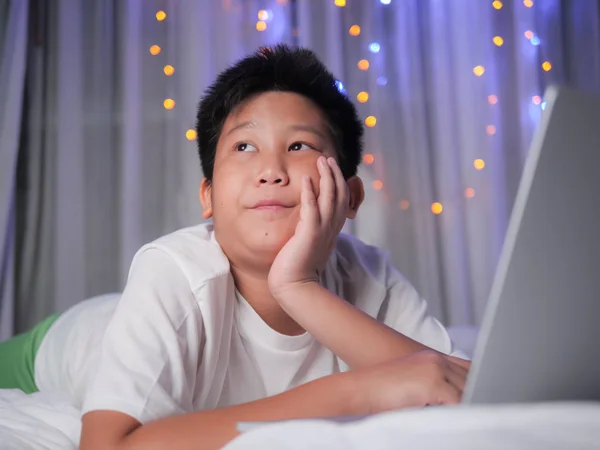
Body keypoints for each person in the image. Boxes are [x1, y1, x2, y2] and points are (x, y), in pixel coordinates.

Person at [0, 44, 469, 450]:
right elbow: (107, 445)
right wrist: (356, 391)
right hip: (56, 347)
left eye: (301, 145)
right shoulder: (171, 269)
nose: (271, 170)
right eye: (244, 147)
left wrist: (298, 286)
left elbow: (459, 388)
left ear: (351, 195)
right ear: (207, 197)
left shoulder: (366, 274)